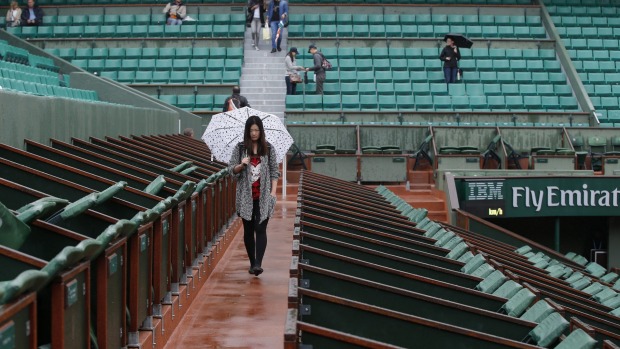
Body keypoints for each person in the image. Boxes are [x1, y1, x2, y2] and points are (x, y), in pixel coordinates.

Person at [228, 116, 279, 276]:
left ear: (261, 131)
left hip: (263, 196)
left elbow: (274, 171)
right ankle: (252, 263)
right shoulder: (240, 148)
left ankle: (258, 263)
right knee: (249, 230)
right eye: (251, 130)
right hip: (246, 196)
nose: (254, 133)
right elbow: (231, 171)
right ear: (247, 131)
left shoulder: (268, 148)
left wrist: (273, 193)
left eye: (257, 130)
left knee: (260, 227)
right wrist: (241, 165)